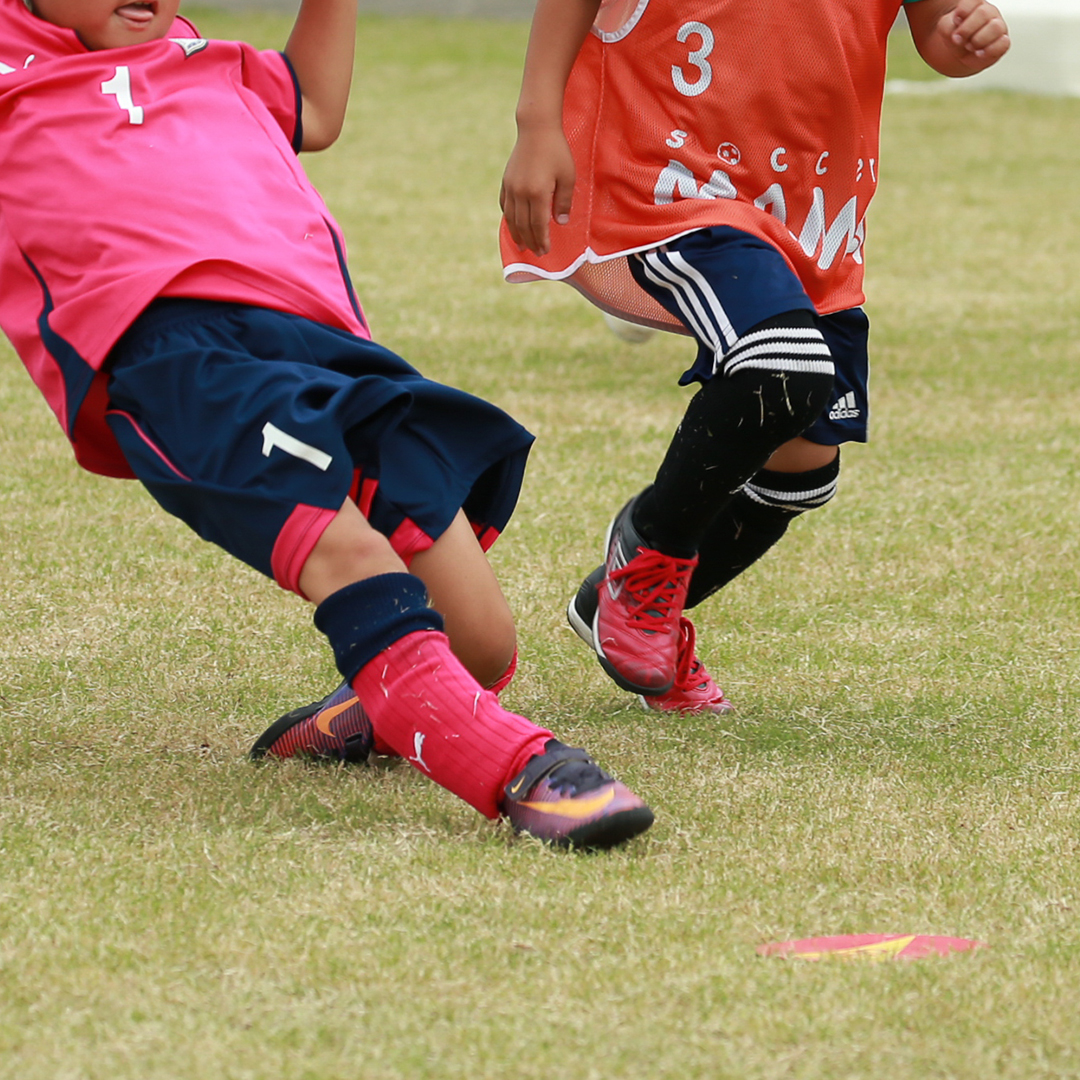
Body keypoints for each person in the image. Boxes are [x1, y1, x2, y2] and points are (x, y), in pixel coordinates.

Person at [0, 0, 654, 849]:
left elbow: (312, 104)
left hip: (323, 346)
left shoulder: (205, 56)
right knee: (351, 554)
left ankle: (382, 702)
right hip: (175, 356)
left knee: (482, 644)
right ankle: (527, 770)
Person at [499, 0, 1009, 713]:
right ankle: (647, 555)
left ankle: (617, 601)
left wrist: (964, 37)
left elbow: (936, 33)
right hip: (674, 179)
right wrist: (536, 123)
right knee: (785, 367)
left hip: (809, 201)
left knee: (802, 471)